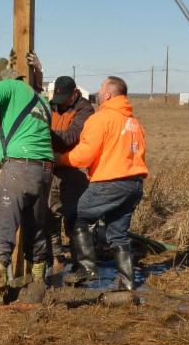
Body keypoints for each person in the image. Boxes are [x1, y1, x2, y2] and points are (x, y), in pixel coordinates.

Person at [0, 55, 54, 306]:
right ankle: (38, 283)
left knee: (0, 227)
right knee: (36, 226)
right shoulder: (41, 101)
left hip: (19, 167)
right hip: (44, 170)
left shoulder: (9, 87)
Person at [58, 76, 147, 291]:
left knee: (76, 217)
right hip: (134, 185)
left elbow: (84, 155)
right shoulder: (134, 123)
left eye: (100, 88)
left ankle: (87, 268)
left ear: (108, 94)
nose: (97, 92)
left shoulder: (102, 118)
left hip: (109, 183)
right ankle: (126, 284)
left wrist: (59, 159)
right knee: (118, 234)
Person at [46, 75, 94, 269]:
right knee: (50, 216)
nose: (61, 104)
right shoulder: (53, 106)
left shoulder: (85, 110)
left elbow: (70, 137)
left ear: (75, 93)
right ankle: (56, 257)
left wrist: (43, 131)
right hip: (52, 170)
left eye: (64, 99)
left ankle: (79, 263)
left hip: (74, 172)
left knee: (74, 218)